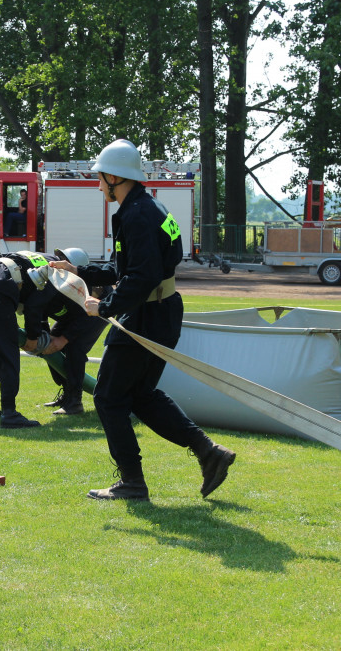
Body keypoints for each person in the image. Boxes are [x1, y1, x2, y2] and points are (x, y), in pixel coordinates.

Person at [50, 139, 234, 501]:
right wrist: (79, 270)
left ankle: (132, 483)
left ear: (114, 177)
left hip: (147, 314)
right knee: (139, 395)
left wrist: (103, 308)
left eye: (100, 178)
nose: (98, 185)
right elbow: (126, 269)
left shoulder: (136, 215)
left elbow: (141, 277)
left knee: (107, 397)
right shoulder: (148, 208)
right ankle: (208, 453)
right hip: (160, 312)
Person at [0, 250, 68, 429]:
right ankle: (9, 413)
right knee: (8, 352)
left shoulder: (39, 257)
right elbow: (34, 305)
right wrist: (33, 337)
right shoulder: (58, 272)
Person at [39, 248, 107, 416]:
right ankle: (66, 394)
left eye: (65, 263)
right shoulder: (58, 280)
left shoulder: (90, 288)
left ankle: (74, 402)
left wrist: (64, 338)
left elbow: (85, 318)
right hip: (73, 314)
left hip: (94, 315)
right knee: (50, 344)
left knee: (74, 348)